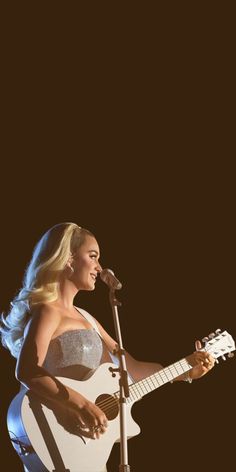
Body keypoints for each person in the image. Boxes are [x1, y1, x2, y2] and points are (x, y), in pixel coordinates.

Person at [0, 222, 215, 472]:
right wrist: (80, 404)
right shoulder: (48, 312)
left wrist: (187, 370)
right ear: (68, 258)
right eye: (93, 257)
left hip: (87, 447)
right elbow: (27, 370)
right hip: (57, 437)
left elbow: (132, 371)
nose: (99, 267)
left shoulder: (88, 318)